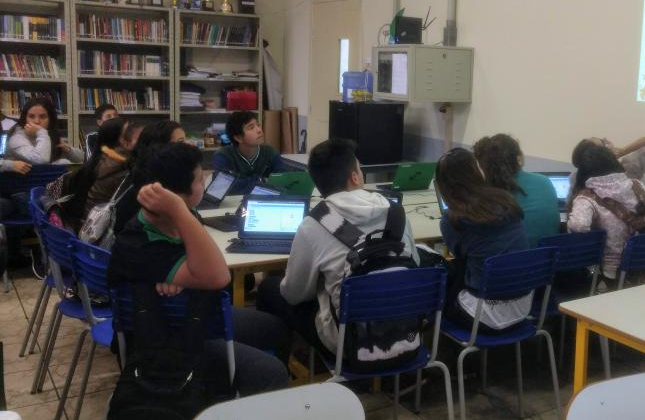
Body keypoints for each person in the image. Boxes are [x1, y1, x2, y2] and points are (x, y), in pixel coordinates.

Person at [108, 142, 289, 397]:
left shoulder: (180, 216)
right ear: (178, 197)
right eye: (199, 179)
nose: (204, 182)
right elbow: (219, 276)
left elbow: (205, 271)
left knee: (275, 328)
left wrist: (188, 271)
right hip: (168, 341)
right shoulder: (140, 242)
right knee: (272, 372)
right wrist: (180, 211)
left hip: (194, 315)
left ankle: (247, 399)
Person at [256, 138, 419, 360]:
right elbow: (415, 267)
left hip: (351, 346)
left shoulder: (314, 223)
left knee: (269, 288)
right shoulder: (396, 214)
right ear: (354, 177)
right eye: (360, 170)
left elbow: (295, 294)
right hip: (406, 334)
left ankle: (282, 366)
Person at [435, 147, 531, 333]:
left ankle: (441, 352)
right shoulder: (506, 200)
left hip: (483, 315)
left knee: (439, 288)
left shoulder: (453, 219)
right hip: (524, 305)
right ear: (476, 172)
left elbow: (459, 255)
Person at [567, 138, 645, 280]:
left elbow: (579, 226)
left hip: (612, 270)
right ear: (614, 161)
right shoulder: (637, 186)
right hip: (644, 262)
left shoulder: (586, 197)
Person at [472, 133, 560, 245]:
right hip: (548, 258)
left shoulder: (486, 196)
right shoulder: (544, 181)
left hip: (510, 261)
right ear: (518, 157)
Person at [112, 120, 187, 235]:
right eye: (180, 142)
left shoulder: (147, 172)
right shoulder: (152, 184)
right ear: (161, 147)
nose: (187, 147)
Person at [212, 111, 286, 194]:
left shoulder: (271, 152)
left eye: (258, 125)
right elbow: (222, 186)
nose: (259, 130)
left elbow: (283, 182)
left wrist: (243, 182)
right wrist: (262, 180)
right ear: (238, 138)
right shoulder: (223, 155)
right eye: (251, 128)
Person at [83, 118, 141, 220]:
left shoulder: (107, 159)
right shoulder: (118, 167)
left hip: (95, 220)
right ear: (123, 141)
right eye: (128, 132)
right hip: (102, 226)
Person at [6, 97, 83, 164]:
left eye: (42, 117)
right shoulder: (16, 138)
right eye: (31, 116)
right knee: (62, 163)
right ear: (25, 118)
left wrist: (68, 150)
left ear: (50, 120)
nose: (36, 121)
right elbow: (40, 160)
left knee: (65, 163)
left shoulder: (48, 134)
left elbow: (82, 158)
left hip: (43, 178)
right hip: (21, 180)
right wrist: (41, 132)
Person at [576, 134, 645, 181]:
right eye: (603, 141)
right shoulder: (628, 172)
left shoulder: (580, 179)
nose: (606, 138)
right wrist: (622, 151)